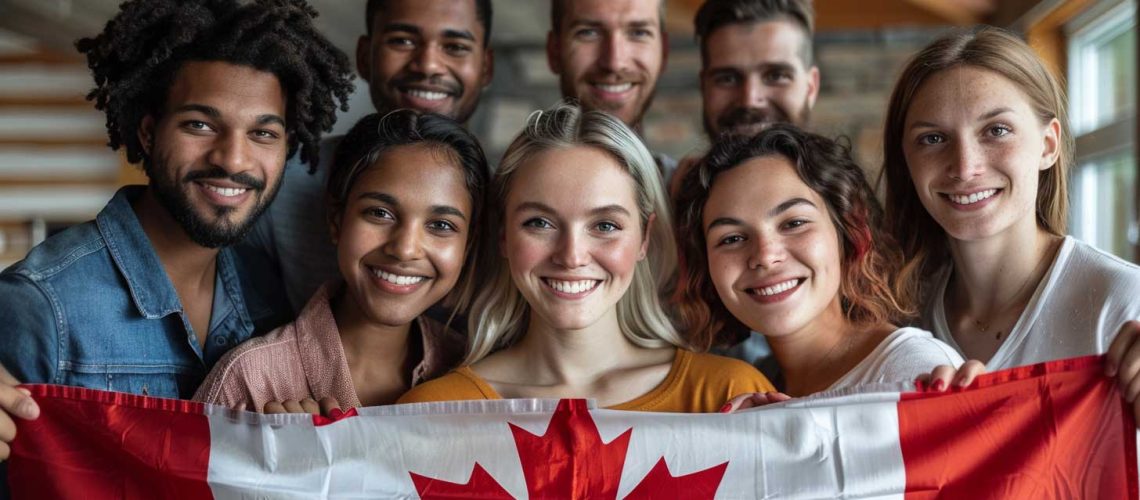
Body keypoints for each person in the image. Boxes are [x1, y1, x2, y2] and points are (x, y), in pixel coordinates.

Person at [0, 0, 352, 469]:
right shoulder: (41, 304)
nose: (233, 159)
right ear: (148, 133)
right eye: (200, 125)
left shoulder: (265, 291)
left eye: (263, 134)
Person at [398, 103, 774, 411]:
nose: (571, 256)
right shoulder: (431, 410)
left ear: (644, 236)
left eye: (605, 225)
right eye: (540, 222)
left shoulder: (728, 396)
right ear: (503, 236)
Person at [880, 26, 1140, 418]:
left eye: (996, 131)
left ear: (1048, 145)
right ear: (906, 160)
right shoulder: (898, 318)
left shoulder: (1124, 304)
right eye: (933, 139)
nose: (965, 167)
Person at [194, 111, 487, 413]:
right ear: (336, 221)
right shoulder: (251, 381)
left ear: (468, 246)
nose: (404, 249)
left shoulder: (476, 376)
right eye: (380, 213)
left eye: (441, 225)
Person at [675, 125, 963, 405]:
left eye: (794, 223)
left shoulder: (915, 370)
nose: (765, 255)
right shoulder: (750, 385)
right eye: (732, 238)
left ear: (847, 233)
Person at [249, 0, 495, 315]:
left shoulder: (504, 205)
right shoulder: (279, 179)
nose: (428, 64)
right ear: (365, 56)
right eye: (402, 41)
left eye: (456, 46)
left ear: (486, 66)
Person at [547, 0, 676, 176]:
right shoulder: (505, 196)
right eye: (588, 32)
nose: (614, 63)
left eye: (638, 33)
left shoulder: (698, 197)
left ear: (664, 52)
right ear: (554, 51)